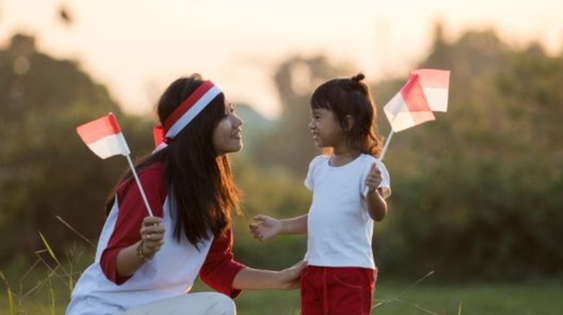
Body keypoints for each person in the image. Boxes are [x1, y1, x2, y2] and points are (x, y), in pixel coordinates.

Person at [67, 73, 305, 315]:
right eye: (225, 114)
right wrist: (143, 249)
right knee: (219, 308)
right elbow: (112, 265)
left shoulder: (210, 186)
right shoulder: (151, 179)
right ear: (199, 125)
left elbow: (217, 266)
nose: (238, 121)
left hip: (154, 309)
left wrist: (282, 279)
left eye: (232, 110)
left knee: (218, 305)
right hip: (104, 310)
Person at [250, 73, 391, 315]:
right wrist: (280, 226)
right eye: (311, 117)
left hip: (351, 271)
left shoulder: (369, 168)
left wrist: (371, 192)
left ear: (347, 123)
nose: (311, 124)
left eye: (318, 117)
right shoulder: (319, 167)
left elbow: (377, 214)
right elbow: (320, 217)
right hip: (314, 268)